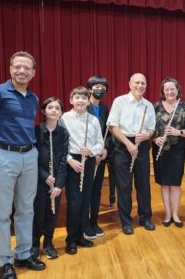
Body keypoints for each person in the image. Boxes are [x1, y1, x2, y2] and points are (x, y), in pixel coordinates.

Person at [0, 51, 46, 279]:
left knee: (26, 209)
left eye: (27, 68)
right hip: (3, 156)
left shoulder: (33, 98)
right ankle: (5, 261)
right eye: (18, 67)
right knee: (2, 213)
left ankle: (23, 254)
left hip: (29, 156)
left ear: (33, 73)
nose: (22, 71)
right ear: (10, 69)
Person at [107, 73, 156, 235]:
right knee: (124, 186)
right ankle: (126, 221)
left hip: (141, 145)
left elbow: (152, 129)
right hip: (123, 145)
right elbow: (112, 126)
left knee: (143, 185)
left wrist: (147, 136)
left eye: (143, 83)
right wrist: (128, 144)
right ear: (129, 84)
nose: (140, 86)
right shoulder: (119, 101)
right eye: (137, 83)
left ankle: (145, 218)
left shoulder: (148, 105)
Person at [60, 86, 104, 255]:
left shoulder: (93, 120)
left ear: (88, 101)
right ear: (71, 100)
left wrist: (92, 151)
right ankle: (70, 239)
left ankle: (80, 235)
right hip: (72, 162)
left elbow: (100, 142)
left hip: (89, 160)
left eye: (84, 98)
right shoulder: (64, 118)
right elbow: (60, 145)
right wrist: (70, 160)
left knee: (85, 201)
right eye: (77, 97)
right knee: (74, 203)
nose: (80, 100)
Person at [32, 97, 69, 260]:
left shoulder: (63, 133)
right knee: (38, 213)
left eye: (57, 108)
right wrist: (44, 175)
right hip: (39, 180)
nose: (54, 110)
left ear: (61, 112)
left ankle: (48, 243)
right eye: (50, 108)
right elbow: (32, 157)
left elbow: (63, 160)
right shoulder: (36, 131)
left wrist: (59, 184)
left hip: (56, 183)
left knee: (52, 213)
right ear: (43, 112)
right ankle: (34, 245)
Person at [152, 77, 185, 227]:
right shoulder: (155, 107)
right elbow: (150, 130)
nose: (169, 92)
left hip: (177, 150)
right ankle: (167, 214)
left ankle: (175, 214)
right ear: (163, 91)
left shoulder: (184, 107)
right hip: (160, 150)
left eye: (172, 89)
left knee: (175, 183)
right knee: (164, 184)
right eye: (166, 89)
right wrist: (155, 139)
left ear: (177, 90)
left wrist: (177, 131)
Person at [84, 75, 114, 240]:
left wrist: (104, 150)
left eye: (103, 87)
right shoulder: (82, 105)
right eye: (96, 86)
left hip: (100, 156)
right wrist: (93, 152)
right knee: (86, 191)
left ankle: (94, 221)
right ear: (89, 89)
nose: (99, 90)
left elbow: (107, 132)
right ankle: (84, 223)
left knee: (96, 191)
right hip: (87, 156)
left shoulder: (104, 108)